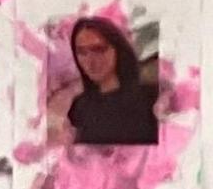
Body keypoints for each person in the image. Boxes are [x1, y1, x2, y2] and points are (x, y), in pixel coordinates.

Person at [63, 17, 159, 147]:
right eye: (82, 52)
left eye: (99, 49)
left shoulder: (150, 98)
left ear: (118, 50)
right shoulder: (79, 107)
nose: (90, 61)